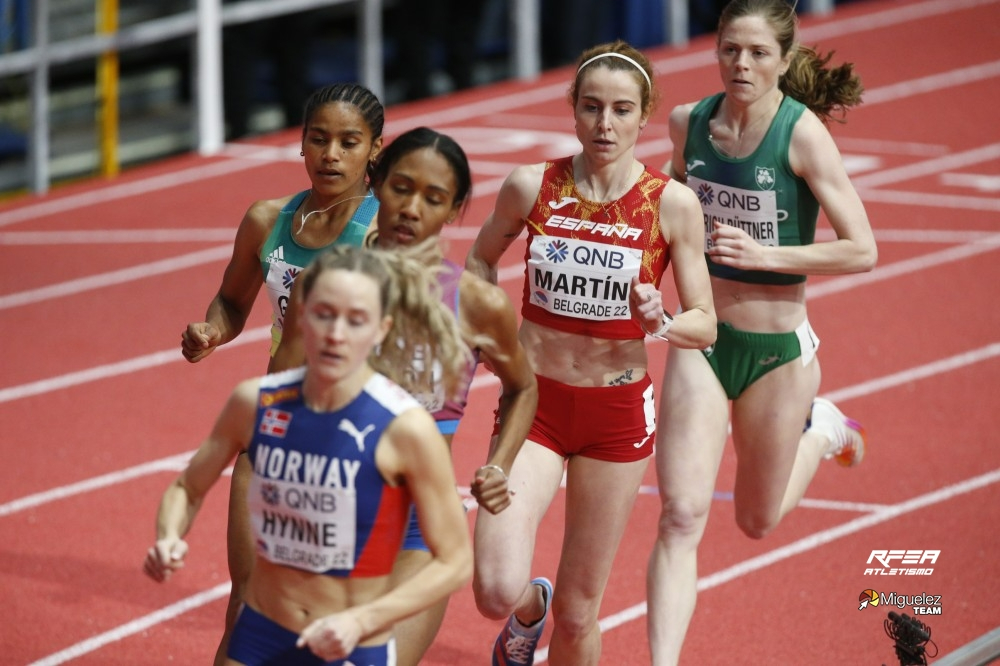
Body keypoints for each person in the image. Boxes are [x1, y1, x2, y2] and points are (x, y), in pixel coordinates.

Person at [465, 41, 717, 666]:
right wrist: (488, 333)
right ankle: (529, 611)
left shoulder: (671, 204)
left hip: (615, 416)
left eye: (622, 110)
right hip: (536, 408)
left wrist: (662, 322)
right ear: (573, 110)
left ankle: (557, 617)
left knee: (581, 613)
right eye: (592, 108)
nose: (605, 125)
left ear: (645, 114)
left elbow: (706, 324)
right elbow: (477, 260)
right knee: (494, 588)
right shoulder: (532, 185)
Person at [646, 1, 878, 664]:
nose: (741, 65)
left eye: (756, 53)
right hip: (704, 338)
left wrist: (769, 255)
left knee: (756, 520)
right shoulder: (688, 123)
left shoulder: (800, 135)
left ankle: (825, 427)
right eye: (729, 50)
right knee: (680, 515)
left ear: (782, 57)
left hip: (778, 352)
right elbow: (664, 209)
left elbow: (862, 249)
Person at [272, 126, 539, 665]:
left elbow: (523, 387)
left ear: (454, 209)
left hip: (420, 522)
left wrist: (500, 465)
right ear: (376, 185)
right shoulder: (323, 283)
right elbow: (279, 397)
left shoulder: (477, 303)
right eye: (401, 188)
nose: (412, 209)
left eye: (434, 198)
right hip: (327, 508)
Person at [145, 244, 475, 665]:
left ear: (381, 330)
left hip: (351, 645)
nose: (336, 334)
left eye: (355, 320)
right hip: (262, 635)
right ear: (301, 316)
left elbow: (455, 562)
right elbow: (187, 488)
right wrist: (169, 536)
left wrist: (362, 620)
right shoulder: (256, 403)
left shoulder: (405, 428)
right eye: (324, 314)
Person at [179, 82, 384, 665]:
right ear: (300, 144)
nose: (331, 155)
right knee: (247, 606)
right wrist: (211, 332)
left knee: (332, 616)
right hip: (272, 431)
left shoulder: (383, 235)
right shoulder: (267, 220)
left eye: (349, 142)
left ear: (375, 150)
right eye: (318, 140)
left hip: (351, 446)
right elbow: (232, 300)